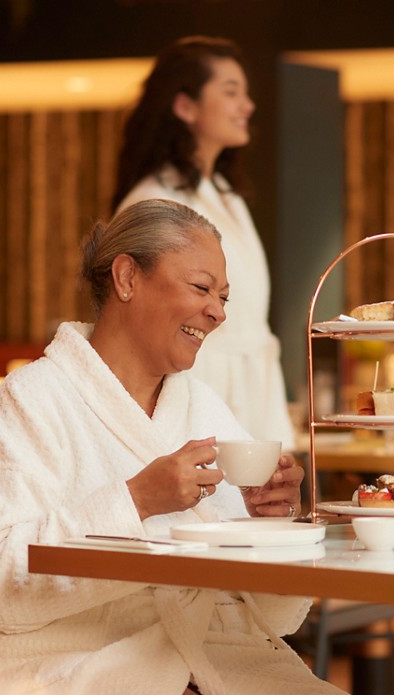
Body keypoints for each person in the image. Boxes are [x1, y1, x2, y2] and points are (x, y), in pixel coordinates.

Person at [0, 199, 391, 695]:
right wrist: (136, 500)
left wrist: (271, 521)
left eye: (223, 298)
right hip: (66, 662)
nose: (219, 313)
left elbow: (276, 618)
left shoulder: (202, 407)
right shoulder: (33, 399)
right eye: (202, 289)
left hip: (205, 657)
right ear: (128, 277)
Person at [112, 36, 294, 448]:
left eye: (246, 94)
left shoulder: (226, 195)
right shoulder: (154, 199)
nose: (247, 106)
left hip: (250, 401)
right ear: (185, 106)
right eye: (231, 92)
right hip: (192, 395)